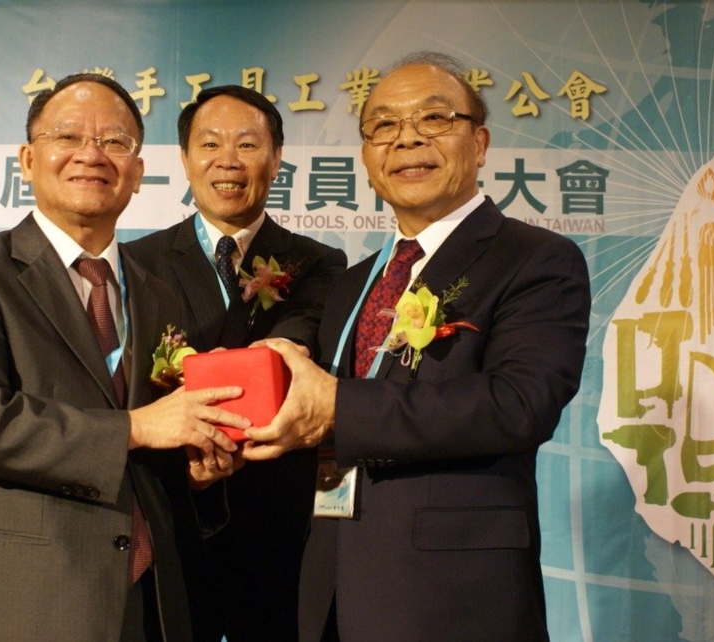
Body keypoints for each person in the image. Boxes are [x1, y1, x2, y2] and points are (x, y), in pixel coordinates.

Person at [242, 52, 591, 641]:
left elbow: (519, 404)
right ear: (366, 156)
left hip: (453, 596)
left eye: (433, 119)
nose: (406, 140)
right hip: (329, 585)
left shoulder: (536, 259)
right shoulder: (354, 281)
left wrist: (338, 407)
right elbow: (322, 426)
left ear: (479, 143)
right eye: (383, 125)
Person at [0, 72, 250, 642]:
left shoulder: (159, 293)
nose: (92, 155)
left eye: (115, 143)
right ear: (27, 158)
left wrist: (193, 470)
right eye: (68, 136)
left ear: (138, 174)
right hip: (14, 603)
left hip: (148, 604)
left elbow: (156, 443)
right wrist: (135, 429)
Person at [124, 85, 346, 641]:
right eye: (210, 143)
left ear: (275, 159)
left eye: (247, 144)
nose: (228, 160)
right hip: (177, 520)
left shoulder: (317, 260)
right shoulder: (137, 262)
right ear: (184, 159)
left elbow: (299, 337)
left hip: (280, 523)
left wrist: (251, 361)